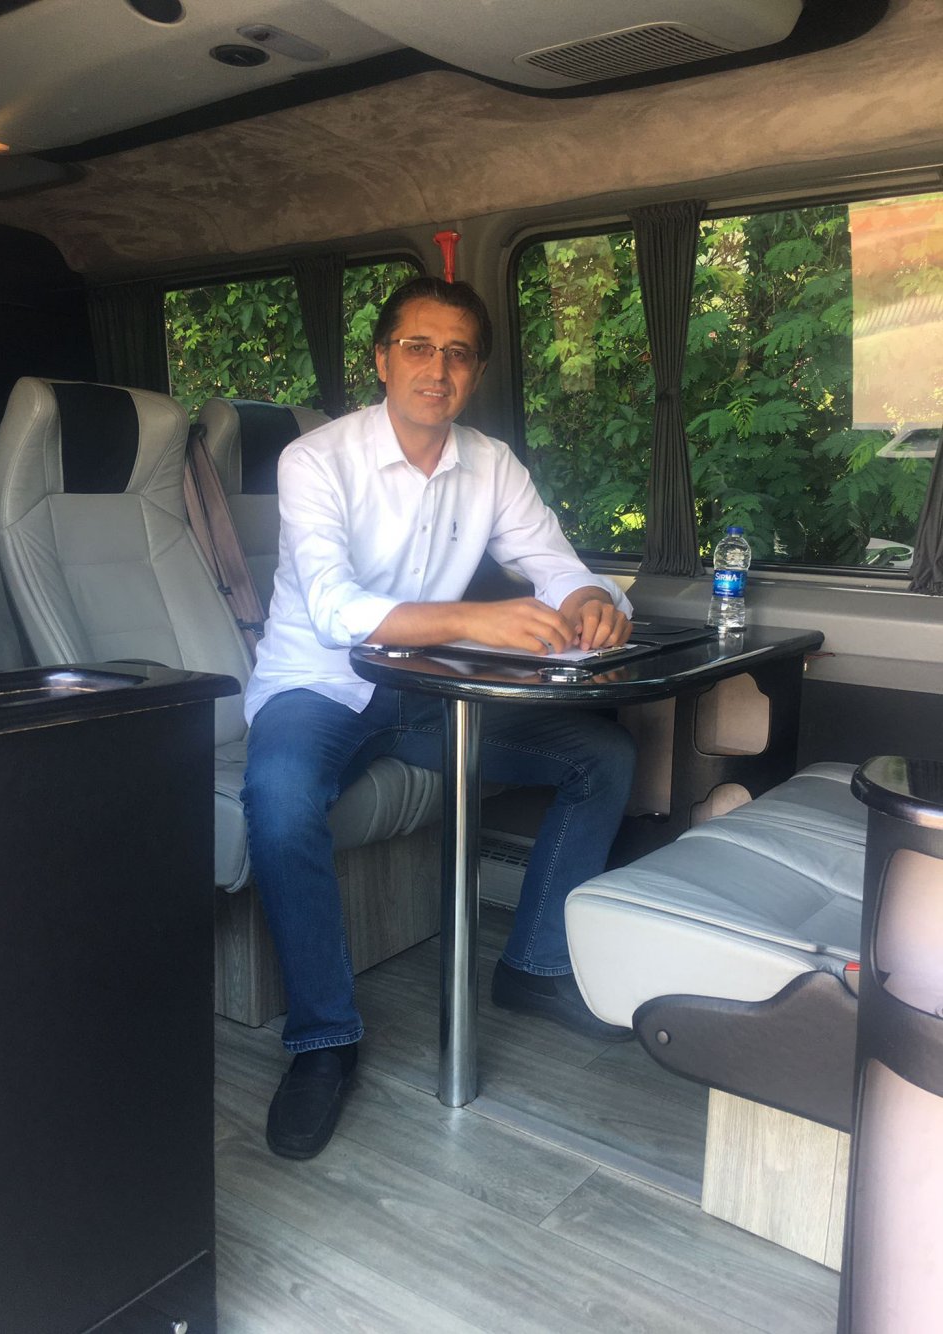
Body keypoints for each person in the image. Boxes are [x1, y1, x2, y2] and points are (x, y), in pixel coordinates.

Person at [241, 275, 637, 1160]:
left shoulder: (489, 464)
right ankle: (323, 1038)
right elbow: (336, 610)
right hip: (319, 684)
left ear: (477, 373)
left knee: (602, 757)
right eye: (418, 347)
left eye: (458, 353)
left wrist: (592, 600)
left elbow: (559, 564)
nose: (437, 368)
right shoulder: (316, 460)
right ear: (382, 360)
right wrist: (475, 621)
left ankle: (534, 965)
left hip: (425, 690)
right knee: (279, 798)